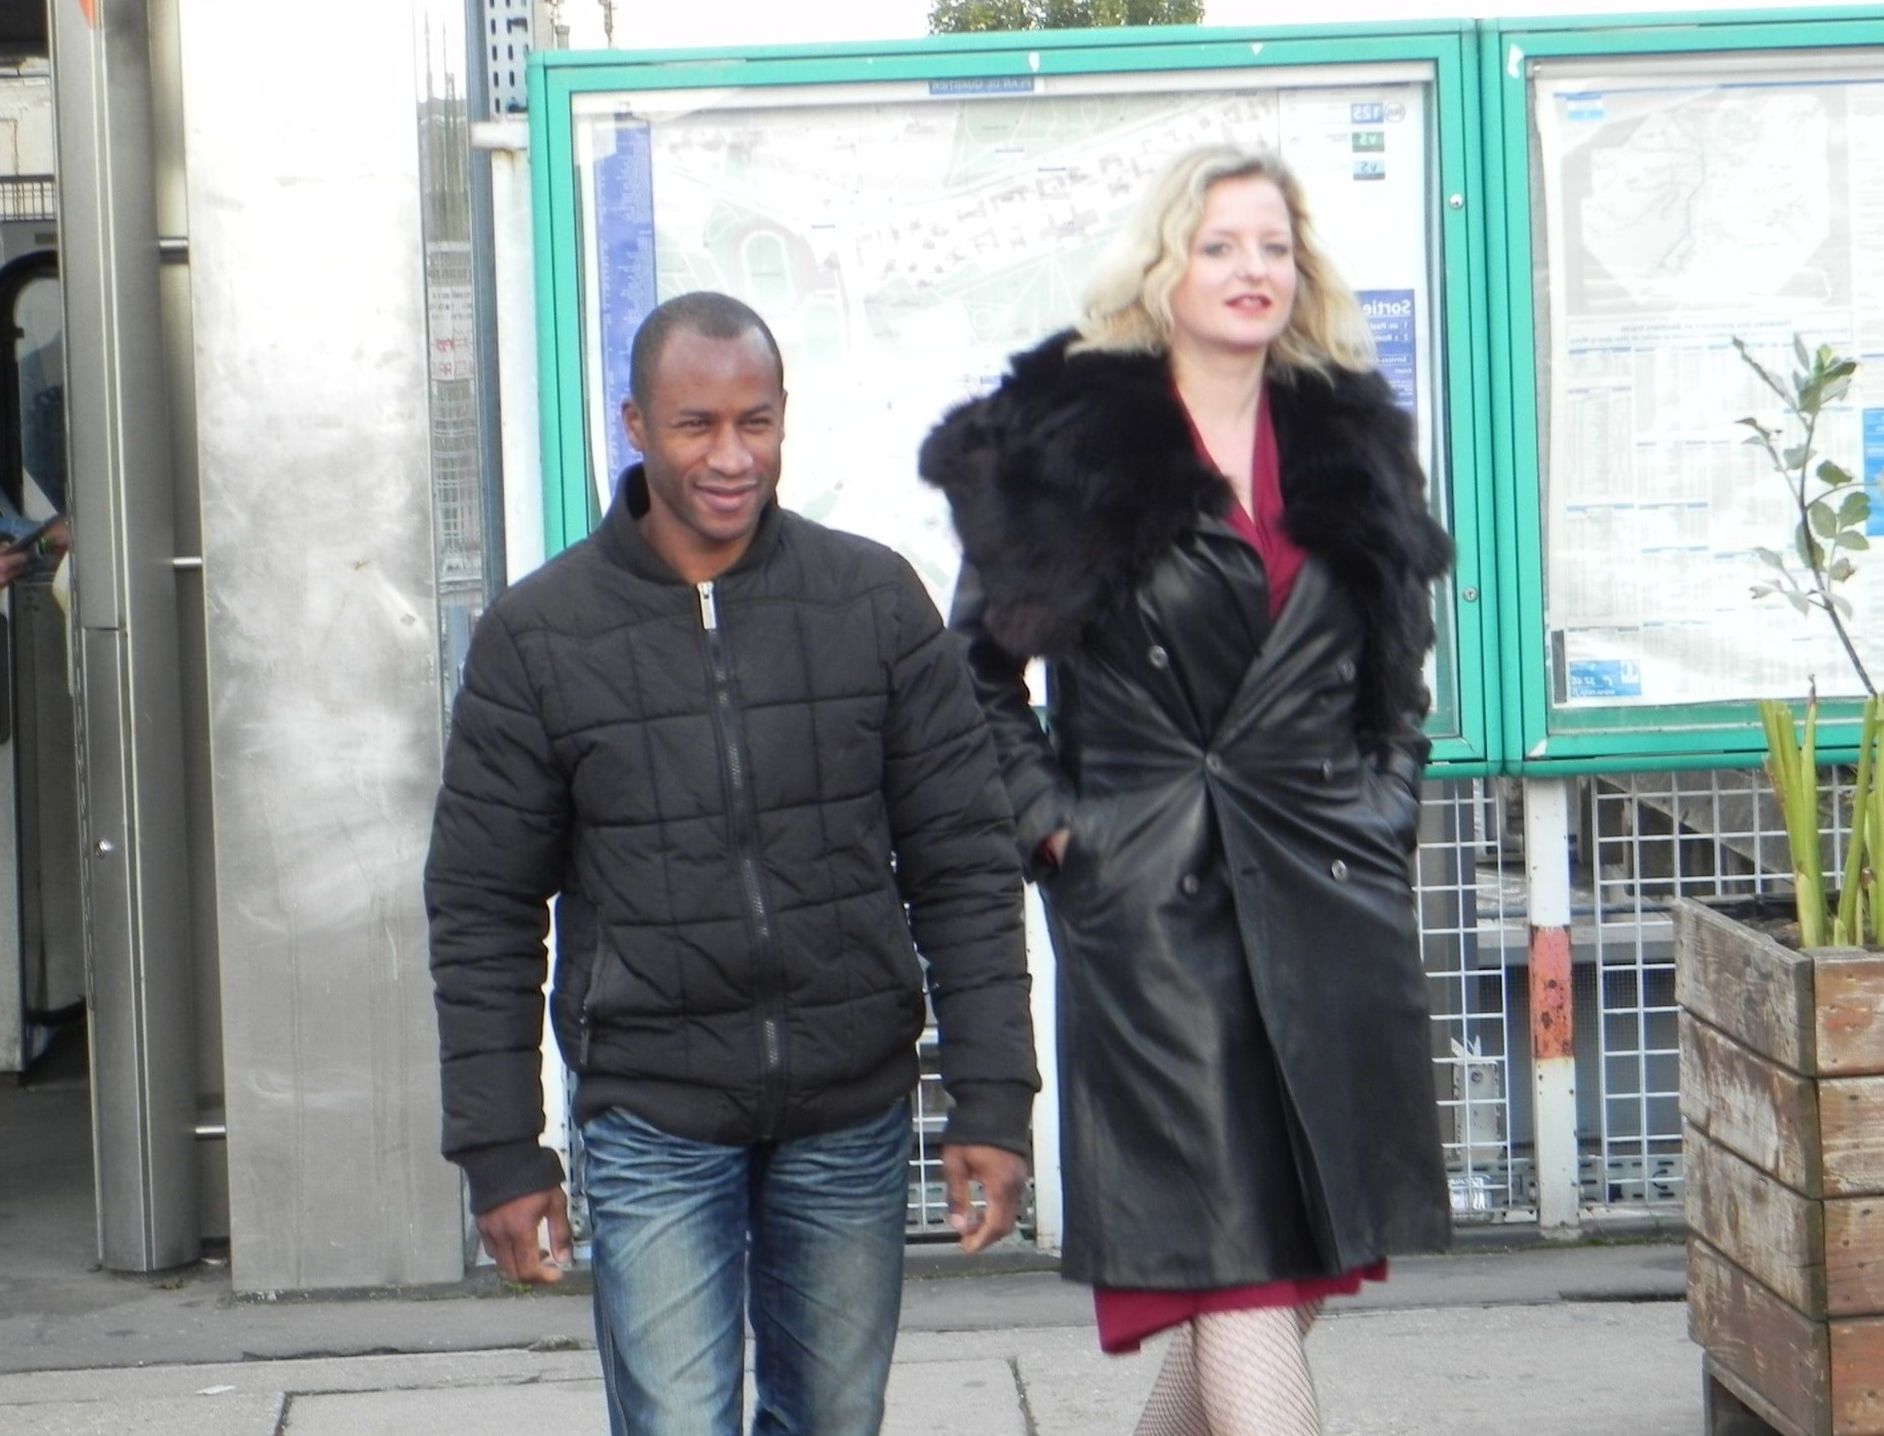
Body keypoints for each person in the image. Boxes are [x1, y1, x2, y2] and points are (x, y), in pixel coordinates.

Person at [426, 291, 1038, 1436]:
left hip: (849, 1102)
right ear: (635, 426)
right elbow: (483, 907)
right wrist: (503, 1148)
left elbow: (963, 857)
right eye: (695, 424)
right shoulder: (539, 634)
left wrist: (993, 1096)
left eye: (754, 421)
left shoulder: (873, 601)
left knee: (832, 1417)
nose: (730, 455)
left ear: (784, 416)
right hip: (652, 1112)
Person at [919, 146, 1453, 1434]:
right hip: (1152, 902)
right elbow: (973, 676)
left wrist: (1384, 807)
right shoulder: (1068, 445)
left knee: (1283, 1260)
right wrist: (1063, 829)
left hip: (1326, 886)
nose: (1251, 269)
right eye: (1220, 245)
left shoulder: (1351, 443)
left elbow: (1398, 671)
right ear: (1163, 267)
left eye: (1274, 246)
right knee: (1240, 1265)